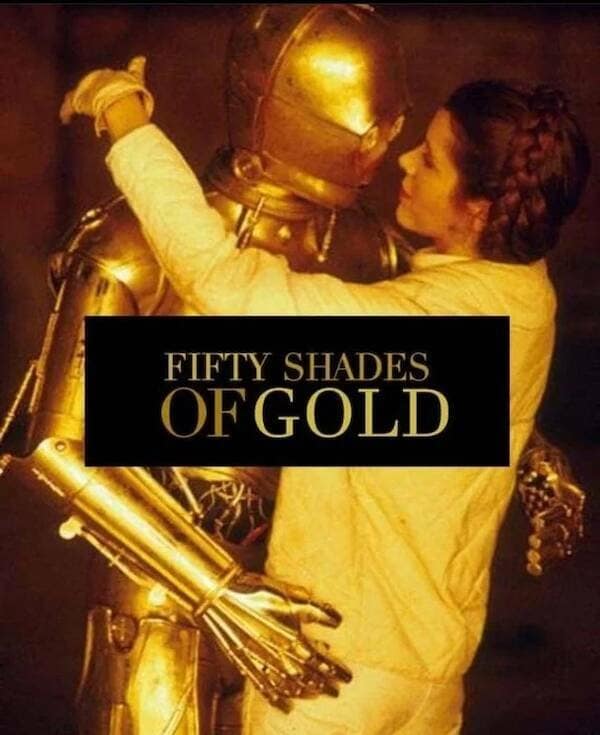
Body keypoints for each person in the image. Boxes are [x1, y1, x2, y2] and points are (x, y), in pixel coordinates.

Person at [61, 60, 590, 734]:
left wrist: (123, 117)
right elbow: (446, 394)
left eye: (430, 159)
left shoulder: (403, 314)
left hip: (332, 675)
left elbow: (220, 279)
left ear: (479, 208)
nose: (401, 159)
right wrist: (530, 449)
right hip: (433, 682)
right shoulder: (528, 297)